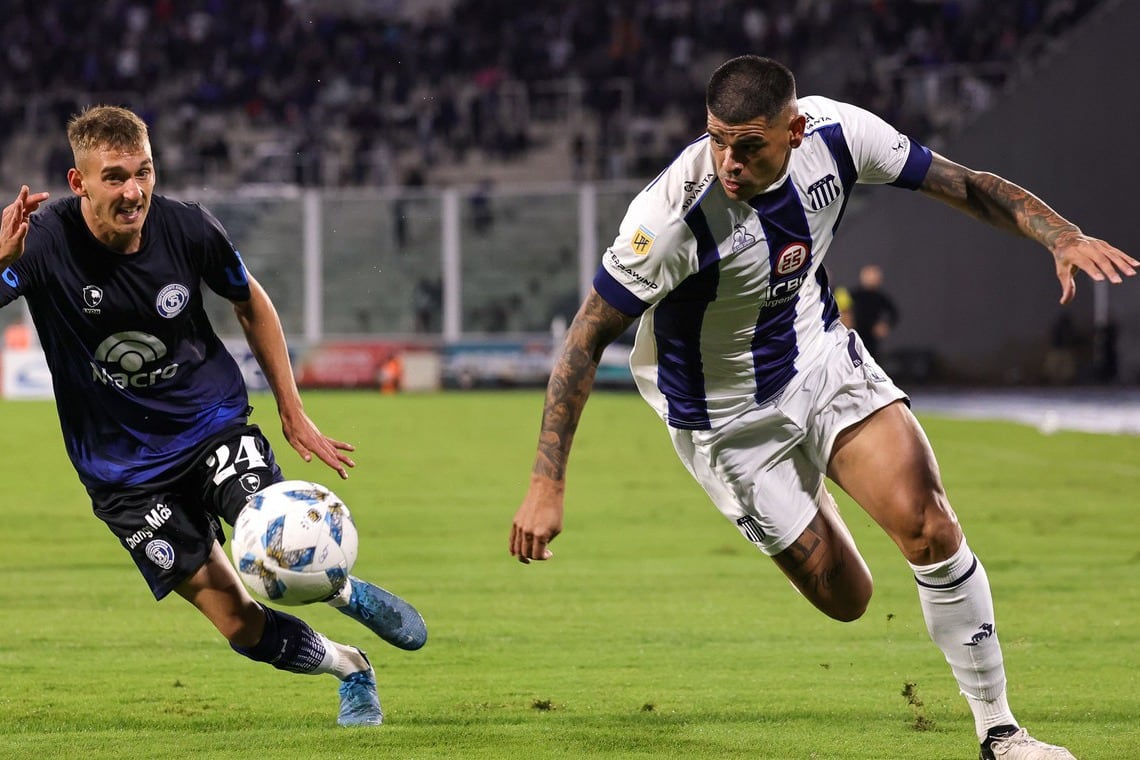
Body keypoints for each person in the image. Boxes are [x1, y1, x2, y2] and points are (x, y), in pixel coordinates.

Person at [510, 56, 1137, 759]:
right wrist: (546, 484)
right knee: (848, 598)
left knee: (928, 526)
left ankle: (1000, 732)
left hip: (819, 360)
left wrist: (1060, 234)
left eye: (748, 145)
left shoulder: (841, 136)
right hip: (726, 423)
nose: (728, 162)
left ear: (795, 130)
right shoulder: (669, 218)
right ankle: (808, 493)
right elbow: (584, 340)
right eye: (717, 139)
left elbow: (965, 185)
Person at [0, 106, 427, 727]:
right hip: (121, 473)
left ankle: (342, 589)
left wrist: (291, 408)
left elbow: (249, 300)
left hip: (210, 427)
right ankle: (350, 667)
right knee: (238, 624)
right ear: (78, 182)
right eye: (115, 177)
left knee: (279, 540)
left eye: (143, 172)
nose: (134, 192)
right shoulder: (38, 244)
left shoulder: (188, 229)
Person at [849, 263, 899, 357]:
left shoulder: (880, 297)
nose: (871, 278)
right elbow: (842, 311)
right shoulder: (853, 295)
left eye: (874, 275)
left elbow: (894, 313)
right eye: (869, 275)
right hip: (853, 334)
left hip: (871, 338)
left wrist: (885, 325)